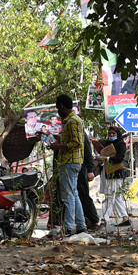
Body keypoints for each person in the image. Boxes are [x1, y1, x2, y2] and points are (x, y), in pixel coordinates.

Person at [48, 94, 87, 235]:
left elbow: (76, 142)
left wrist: (57, 147)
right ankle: (81, 225)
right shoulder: (71, 121)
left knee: (68, 196)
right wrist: (51, 137)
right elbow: (68, 138)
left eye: (58, 107)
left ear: (62, 106)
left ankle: (68, 227)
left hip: (70, 161)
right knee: (74, 194)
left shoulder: (73, 121)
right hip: (73, 162)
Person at [98, 126, 130, 227]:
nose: (111, 135)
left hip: (116, 174)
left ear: (118, 134)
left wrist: (105, 158)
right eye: (110, 133)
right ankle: (125, 218)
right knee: (116, 198)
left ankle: (103, 219)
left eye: (113, 134)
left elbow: (119, 158)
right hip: (108, 173)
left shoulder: (121, 144)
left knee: (110, 196)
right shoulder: (108, 144)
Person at [78, 133, 100, 231]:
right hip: (70, 170)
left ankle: (94, 220)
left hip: (81, 169)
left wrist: (90, 170)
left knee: (83, 195)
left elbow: (87, 152)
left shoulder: (81, 133)